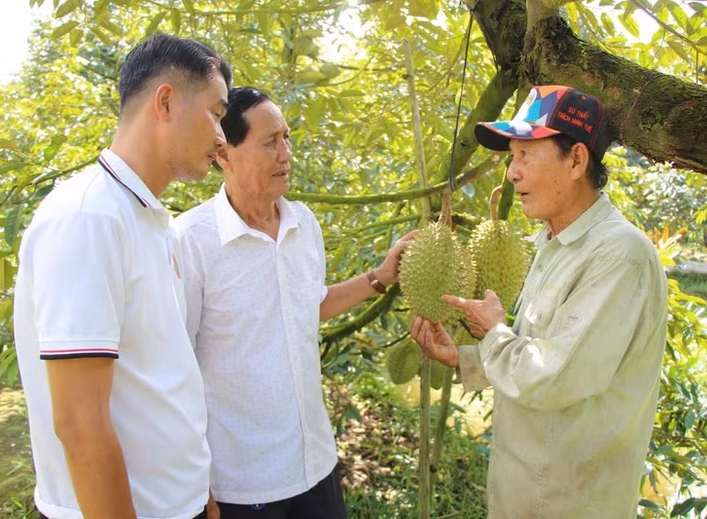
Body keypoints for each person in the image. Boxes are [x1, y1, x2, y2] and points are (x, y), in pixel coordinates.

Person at [410, 85, 668, 518]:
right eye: (512, 157)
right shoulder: (553, 244)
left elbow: (553, 378)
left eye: (525, 155)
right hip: (524, 494)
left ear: (576, 160)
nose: (512, 173)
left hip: (571, 502)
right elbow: (542, 354)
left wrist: (492, 330)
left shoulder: (619, 255)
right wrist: (466, 359)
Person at [13, 33, 231, 519]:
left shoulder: (154, 222)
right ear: (167, 101)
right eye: (216, 113)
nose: (222, 136)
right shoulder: (88, 217)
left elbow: (162, 375)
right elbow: (79, 425)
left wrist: (201, 495)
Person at [174, 86, 415, 519]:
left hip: (315, 463)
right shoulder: (191, 241)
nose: (285, 154)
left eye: (287, 138)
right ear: (223, 154)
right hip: (241, 483)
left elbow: (306, 307)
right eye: (270, 142)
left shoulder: (304, 223)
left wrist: (380, 277)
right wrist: (195, 484)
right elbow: (174, 365)